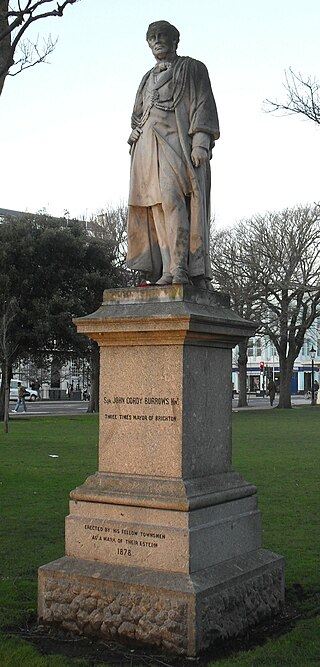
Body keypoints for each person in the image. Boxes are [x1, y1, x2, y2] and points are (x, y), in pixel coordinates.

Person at [127, 20, 220, 289]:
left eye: (162, 35)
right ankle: (168, 268)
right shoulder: (146, 77)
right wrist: (134, 132)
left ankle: (182, 267)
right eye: (152, 37)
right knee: (156, 207)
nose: (157, 40)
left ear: (175, 40)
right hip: (146, 148)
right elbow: (137, 114)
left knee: (173, 200)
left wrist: (201, 140)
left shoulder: (193, 68)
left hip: (177, 143)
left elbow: (204, 102)